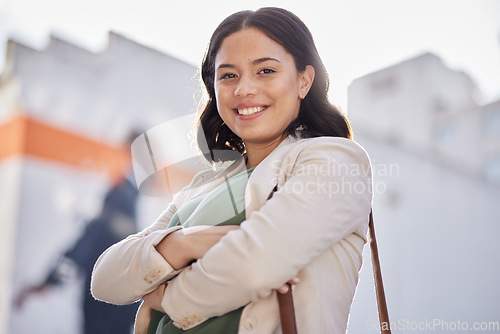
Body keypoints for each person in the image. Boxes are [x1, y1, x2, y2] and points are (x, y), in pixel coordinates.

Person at [91, 7, 372, 334]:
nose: (244, 89)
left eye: (265, 71)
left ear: (304, 80)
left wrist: (164, 296)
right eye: (228, 75)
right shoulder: (204, 185)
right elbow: (106, 280)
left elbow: (254, 265)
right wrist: (184, 244)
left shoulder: (335, 160)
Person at [15, 139, 141, 334]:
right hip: (119, 305)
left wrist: (50, 281)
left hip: (105, 307)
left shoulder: (121, 196)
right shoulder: (130, 196)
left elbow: (86, 245)